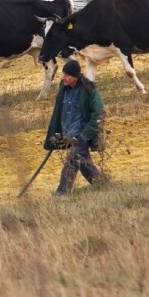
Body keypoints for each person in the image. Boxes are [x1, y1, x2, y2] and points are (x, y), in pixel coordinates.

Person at [43, 59, 106, 195]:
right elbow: (59, 112)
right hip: (69, 134)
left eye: (67, 75)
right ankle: (102, 184)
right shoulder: (64, 89)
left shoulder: (89, 89)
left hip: (82, 135)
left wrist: (85, 135)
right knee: (83, 163)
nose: (63, 77)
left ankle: (62, 193)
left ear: (75, 76)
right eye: (63, 74)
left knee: (72, 161)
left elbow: (99, 113)